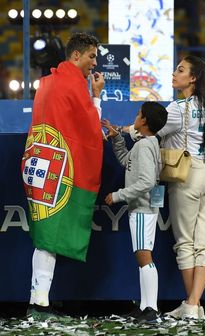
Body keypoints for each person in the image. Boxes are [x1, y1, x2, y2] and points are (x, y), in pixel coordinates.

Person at [122, 55, 205, 320]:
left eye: (180, 70)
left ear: (193, 78)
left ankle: (191, 303)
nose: (173, 73)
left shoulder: (178, 108)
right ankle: (194, 304)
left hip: (187, 176)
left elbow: (147, 128)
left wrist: (123, 130)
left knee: (186, 244)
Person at [21, 32, 105, 319]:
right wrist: (96, 97)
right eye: (92, 56)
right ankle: (38, 304)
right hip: (57, 170)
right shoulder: (72, 85)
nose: (94, 62)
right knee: (49, 238)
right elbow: (91, 130)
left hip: (39, 163)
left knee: (45, 235)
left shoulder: (47, 82)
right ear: (76, 55)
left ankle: (39, 300)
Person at [102, 101, 168, 323]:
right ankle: (145, 306)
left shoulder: (145, 145)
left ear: (145, 121)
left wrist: (119, 195)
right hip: (146, 206)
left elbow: (146, 181)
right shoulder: (147, 144)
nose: (136, 117)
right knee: (143, 257)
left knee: (143, 256)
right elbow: (126, 162)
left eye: (139, 114)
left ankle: (151, 308)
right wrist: (117, 138)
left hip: (142, 207)